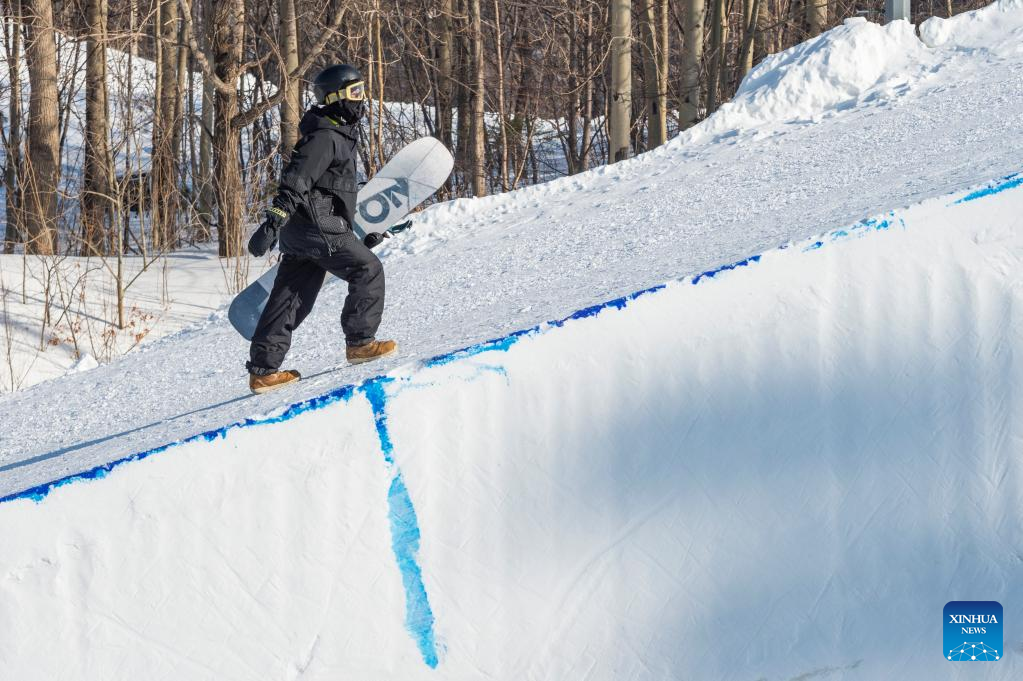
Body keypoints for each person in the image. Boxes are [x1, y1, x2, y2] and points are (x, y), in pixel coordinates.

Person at [245, 63, 396, 395]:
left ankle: (263, 371)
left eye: (362, 90)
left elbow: (329, 186)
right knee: (368, 269)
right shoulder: (325, 137)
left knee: (291, 298)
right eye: (355, 92)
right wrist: (273, 221)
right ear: (335, 97)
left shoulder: (334, 134)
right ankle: (360, 342)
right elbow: (297, 179)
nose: (360, 99)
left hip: (304, 230)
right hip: (319, 227)